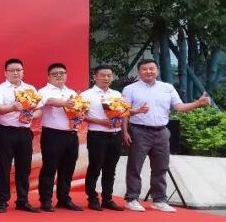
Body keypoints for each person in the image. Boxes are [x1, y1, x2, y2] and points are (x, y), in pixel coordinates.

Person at [122, 59, 211, 212]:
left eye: (151, 68)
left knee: (161, 167)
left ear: (157, 71)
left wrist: (198, 103)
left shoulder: (167, 88)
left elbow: (179, 107)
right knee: (134, 166)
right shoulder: (130, 89)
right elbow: (124, 112)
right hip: (139, 131)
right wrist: (124, 132)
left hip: (162, 132)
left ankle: (159, 200)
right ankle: (132, 198)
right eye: (144, 69)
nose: (148, 71)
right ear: (139, 72)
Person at [82, 65, 142, 211]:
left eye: (109, 75)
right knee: (95, 168)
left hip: (115, 135)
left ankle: (107, 199)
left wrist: (127, 127)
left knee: (110, 169)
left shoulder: (117, 94)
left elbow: (124, 113)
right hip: (97, 135)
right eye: (102, 75)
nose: (106, 78)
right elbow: (80, 115)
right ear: (95, 77)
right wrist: (100, 122)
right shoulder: (86, 95)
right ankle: (92, 199)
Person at [0, 58, 41, 213]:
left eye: (18, 70)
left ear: (23, 72)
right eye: (12, 70)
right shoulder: (0, 89)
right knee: (4, 167)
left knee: (24, 167)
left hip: (25, 132)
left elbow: (39, 110)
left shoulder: (30, 88)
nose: (15, 73)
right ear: (5, 73)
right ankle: (2, 201)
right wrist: (12, 108)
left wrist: (31, 116)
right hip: (6, 131)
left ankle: (23, 201)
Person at [37, 63, 83, 212]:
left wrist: (80, 113)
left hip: (71, 134)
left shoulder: (71, 92)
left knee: (68, 169)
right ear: (48, 76)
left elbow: (78, 109)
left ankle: (64, 199)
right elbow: (49, 101)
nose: (59, 76)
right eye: (55, 74)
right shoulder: (43, 91)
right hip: (53, 135)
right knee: (49, 168)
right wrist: (65, 103)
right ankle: (45, 200)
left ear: (66, 75)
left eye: (62, 73)